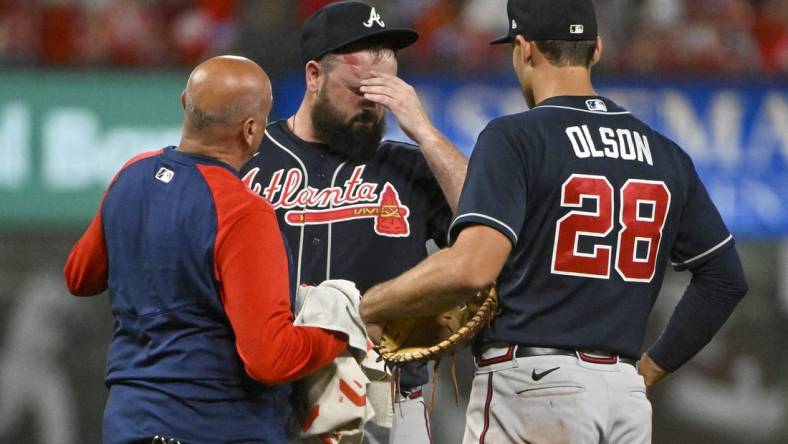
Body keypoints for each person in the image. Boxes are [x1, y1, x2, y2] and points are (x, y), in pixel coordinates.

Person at [359, 0, 749, 443]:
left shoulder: (515, 137)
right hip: (624, 397)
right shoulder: (665, 153)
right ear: (596, 49)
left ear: (524, 49)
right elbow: (725, 278)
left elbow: (471, 267)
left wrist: (368, 306)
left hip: (535, 385)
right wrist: (650, 367)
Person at [64, 55, 348, 444]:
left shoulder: (131, 174)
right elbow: (270, 358)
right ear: (251, 130)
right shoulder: (242, 211)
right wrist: (341, 332)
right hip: (219, 426)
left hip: (130, 423)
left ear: (185, 102)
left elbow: (80, 277)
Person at [240, 2, 468, 443]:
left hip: (389, 398)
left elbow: (488, 220)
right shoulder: (249, 162)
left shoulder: (410, 166)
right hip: (267, 400)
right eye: (360, 88)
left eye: (385, 91)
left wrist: (422, 129)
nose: (373, 103)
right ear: (313, 76)